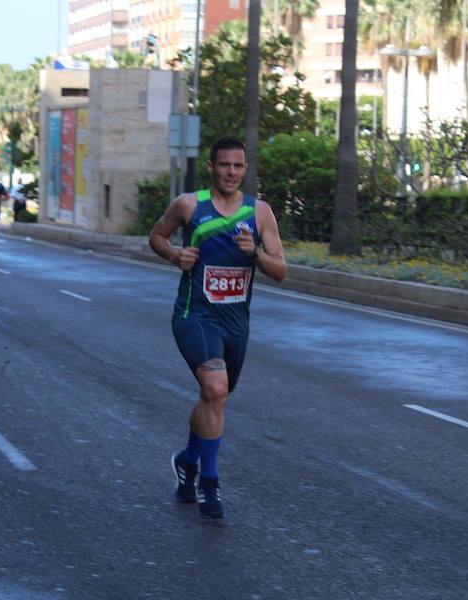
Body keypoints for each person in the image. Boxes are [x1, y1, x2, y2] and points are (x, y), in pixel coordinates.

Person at [148, 137, 287, 519]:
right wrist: (176, 254)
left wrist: (254, 254)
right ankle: (209, 483)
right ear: (211, 167)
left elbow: (281, 271)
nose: (230, 172)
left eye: (237, 166)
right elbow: (156, 236)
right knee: (215, 387)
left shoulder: (259, 213)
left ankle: (187, 462)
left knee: (216, 399)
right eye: (224, 165)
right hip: (195, 315)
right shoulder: (189, 206)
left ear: (245, 169)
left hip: (235, 322)